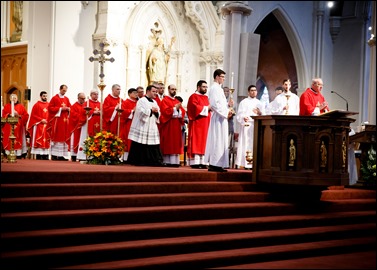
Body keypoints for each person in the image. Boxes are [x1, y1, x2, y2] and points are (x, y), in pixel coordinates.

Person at [204, 69, 234, 172]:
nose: (223, 79)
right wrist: (226, 112)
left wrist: (227, 107)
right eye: (222, 77)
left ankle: (218, 163)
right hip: (218, 119)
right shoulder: (214, 88)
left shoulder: (219, 89)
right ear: (217, 77)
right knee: (217, 140)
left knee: (221, 141)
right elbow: (214, 104)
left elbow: (220, 104)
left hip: (222, 118)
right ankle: (214, 163)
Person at [127, 84, 164, 166]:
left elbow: (159, 112)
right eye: (153, 91)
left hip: (152, 125)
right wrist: (151, 110)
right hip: (143, 125)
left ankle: (154, 161)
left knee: (153, 143)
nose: (155, 93)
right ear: (148, 91)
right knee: (141, 143)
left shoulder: (155, 101)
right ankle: (140, 161)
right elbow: (140, 112)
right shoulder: (141, 100)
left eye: (156, 92)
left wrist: (156, 112)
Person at [235, 85, 263, 169]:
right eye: (252, 90)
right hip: (246, 126)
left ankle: (254, 163)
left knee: (254, 144)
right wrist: (244, 117)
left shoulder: (259, 103)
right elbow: (239, 114)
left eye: (255, 90)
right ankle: (245, 163)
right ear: (248, 92)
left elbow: (264, 114)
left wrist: (259, 113)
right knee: (246, 144)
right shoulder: (244, 102)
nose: (253, 92)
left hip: (256, 126)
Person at [159, 84, 186, 167]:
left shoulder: (177, 101)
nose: (174, 91)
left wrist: (178, 110)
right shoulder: (165, 100)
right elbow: (164, 112)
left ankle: (175, 162)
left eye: (175, 89)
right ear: (168, 90)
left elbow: (182, 113)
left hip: (176, 126)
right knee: (169, 143)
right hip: (168, 126)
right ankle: (167, 161)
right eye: (172, 89)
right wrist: (174, 109)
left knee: (175, 143)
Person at [186, 80, 211, 169]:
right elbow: (193, 108)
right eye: (203, 87)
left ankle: (203, 162)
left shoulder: (207, 97)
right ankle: (195, 162)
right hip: (197, 123)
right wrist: (207, 108)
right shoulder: (193, 96)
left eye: (206, 87)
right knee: (197, 141)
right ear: (198, 87)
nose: (205, 89)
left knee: (205, 142)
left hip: (206, 124)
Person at [47, 84, 71, 161]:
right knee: (57, 137)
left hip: (65, 121)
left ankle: (61, 155)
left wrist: (68, 109)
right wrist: (61, 108)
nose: (64, 92)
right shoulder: (54, 98)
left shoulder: (66, 99)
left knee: (64, 137)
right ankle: (54, 154)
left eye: (65, 91)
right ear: (60, 89)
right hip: (57, 121)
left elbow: (70, 107)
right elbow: (50, 108)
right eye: (63, 90)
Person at [2, 93, 29, 159]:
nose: (14, 99)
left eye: (15, 98)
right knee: (9, 138)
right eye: (12, 98)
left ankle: (18, 154)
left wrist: (19, 115)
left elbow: (26, 116)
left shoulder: (21, 106)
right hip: (9, 125)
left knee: (18, 138)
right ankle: (8, 153)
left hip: (18, 126)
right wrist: (8, 115)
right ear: (10, 99)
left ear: (17, 99)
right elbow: (3, 114)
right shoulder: (7, 106)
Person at [27, 91, 50, 160]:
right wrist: (41, 120)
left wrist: (48, 120)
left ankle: (45, 155)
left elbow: (51, 114)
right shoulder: (36, 105)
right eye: (44, 96)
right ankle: (39, 155)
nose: (45, 97)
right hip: (39, 125)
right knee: (39, 140)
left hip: (47, 125)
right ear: (40, 96)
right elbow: (33, 115)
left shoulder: (49, 105)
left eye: (46, 96)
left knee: (46, 140)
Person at [119, 88, 138, 163]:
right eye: (134, 93)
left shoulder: (138, 102)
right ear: (130, 94)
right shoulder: (125, 102)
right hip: (128, 124)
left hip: (136, 124)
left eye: (137, 93)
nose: (136, 94)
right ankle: (126, 158)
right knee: (128, 140)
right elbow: (123, 112)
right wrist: (132, 110)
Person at [68, 92, 87, 162]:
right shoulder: (74, 106)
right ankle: (74, 156)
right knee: (75, 141)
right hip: (75, 127)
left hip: (83, 126)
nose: (84, 100)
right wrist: (82, 117)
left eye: (84, 98)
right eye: (82, 98)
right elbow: (73, 116)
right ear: (78, 98)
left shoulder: (85, 106)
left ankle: (81, 155)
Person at [223, 86, 236, 165]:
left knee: (229, 145)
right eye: (225, 91)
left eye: (228, 91)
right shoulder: (221, 101)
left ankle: (228, 161)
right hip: (221, 124)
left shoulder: (231, 102)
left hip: (229, 125)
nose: (226, 93)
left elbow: (233, 112)